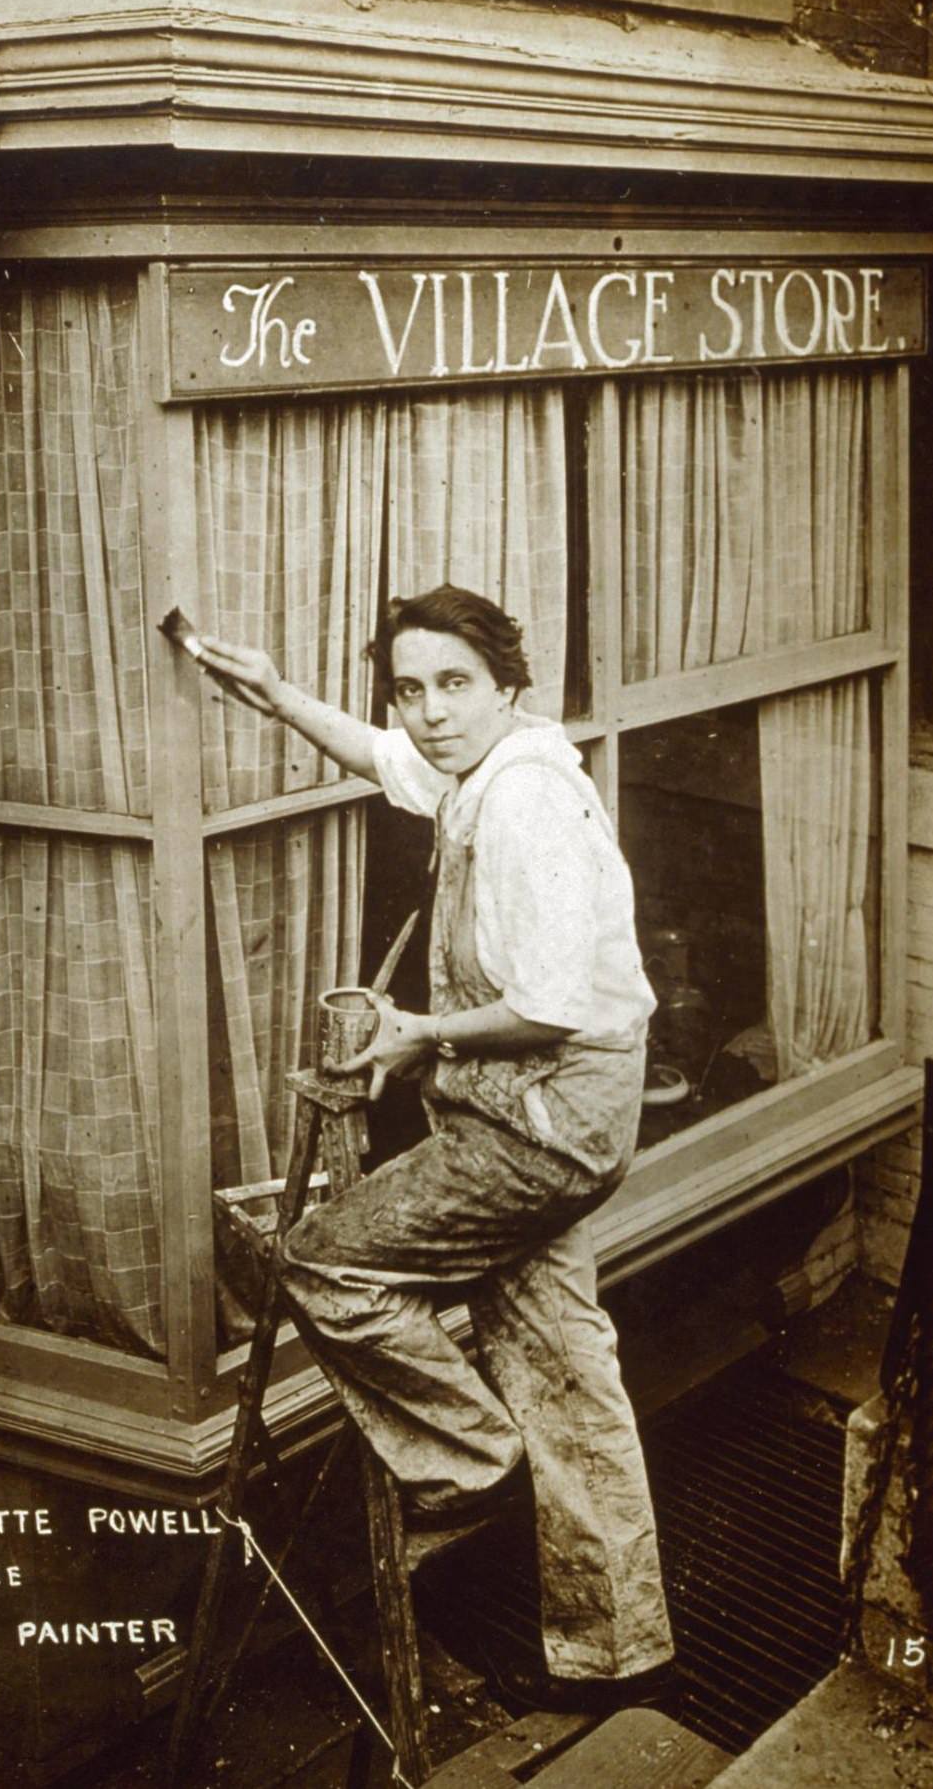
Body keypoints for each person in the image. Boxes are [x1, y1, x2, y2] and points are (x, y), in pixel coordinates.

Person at [191, 584, 674, 1710]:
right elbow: (385, 759)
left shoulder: (523, 808)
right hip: (549, 1111)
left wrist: (416, 1037)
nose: (426, 713)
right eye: (409, 688)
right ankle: (618, 1653)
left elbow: (550, 1003)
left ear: (508, 684)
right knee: (564, 1374)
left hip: (539, 1121)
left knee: (318, 1258)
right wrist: (273, 695)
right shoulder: (485, 769)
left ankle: (464, 1461)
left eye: (452, 685)